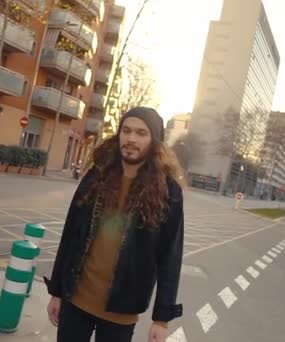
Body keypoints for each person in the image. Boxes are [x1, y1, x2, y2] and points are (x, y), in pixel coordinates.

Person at [44, 107, 185, 342]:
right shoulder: (97, 176)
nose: (131, 139)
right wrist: (57, 292)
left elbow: (170, 258)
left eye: (141, 133)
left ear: (154, 142)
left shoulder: (169, 193)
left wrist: (161, 320)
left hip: (121, 312)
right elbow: (70, 235)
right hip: (75, 300)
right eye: (126, 131)